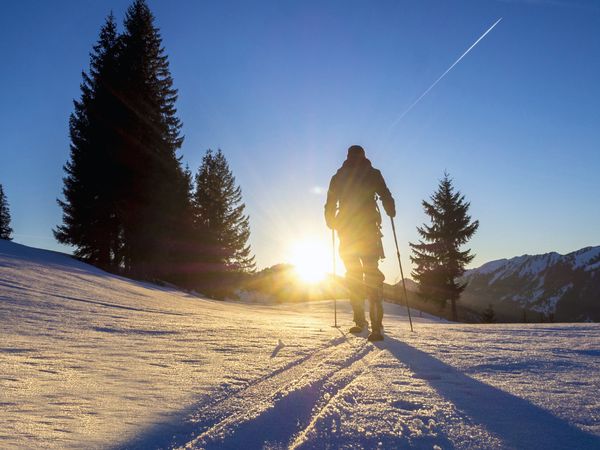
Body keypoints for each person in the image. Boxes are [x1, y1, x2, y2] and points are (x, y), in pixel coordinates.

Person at [324, 145, 395, 342]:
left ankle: (362, 322)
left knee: (354, 275)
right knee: (370, 274)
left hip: (348, 230)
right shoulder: (372, 173)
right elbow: (385, 194)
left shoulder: (339, 176)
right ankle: (374, 325)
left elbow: (330, 202)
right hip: (367, 230)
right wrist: (390, 208)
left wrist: (331, 220)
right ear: (364, 156)